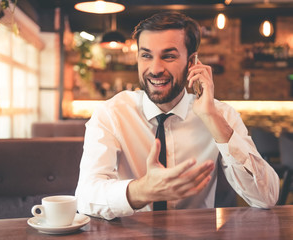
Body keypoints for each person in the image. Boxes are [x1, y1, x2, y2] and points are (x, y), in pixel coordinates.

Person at [75, 11, 279, 220]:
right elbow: (85, 197)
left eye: (169, 56)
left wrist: (213, 119)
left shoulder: (221, 114)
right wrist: (143, 190)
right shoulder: (111, 113)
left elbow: (267, 197)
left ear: (192, 62)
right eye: (146, 55)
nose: (155, 69)